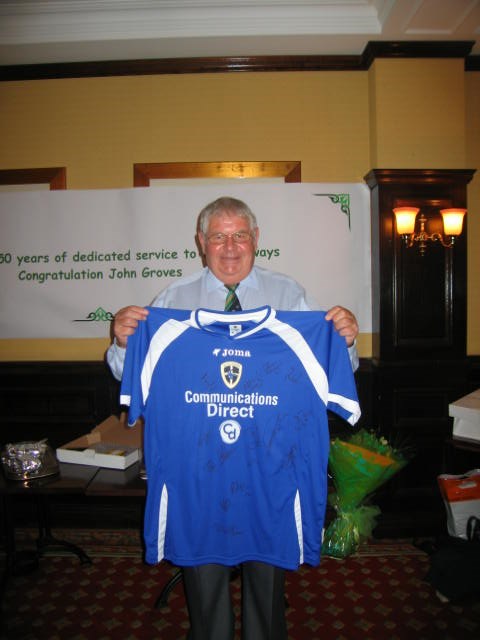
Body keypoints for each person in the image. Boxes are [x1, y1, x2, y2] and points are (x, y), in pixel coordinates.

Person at [106, 196, 359, 640]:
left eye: (239, 235)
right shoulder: (170, 302)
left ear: (256, 240)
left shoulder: (293, 299)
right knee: (205, 592)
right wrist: (125, 343)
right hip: (196, 473)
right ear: (201, 243)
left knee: (267, 583)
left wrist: (346, 341)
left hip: (271, 469)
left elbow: (334, 372)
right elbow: (134, 378)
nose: (229, 247)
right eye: (218, 237)